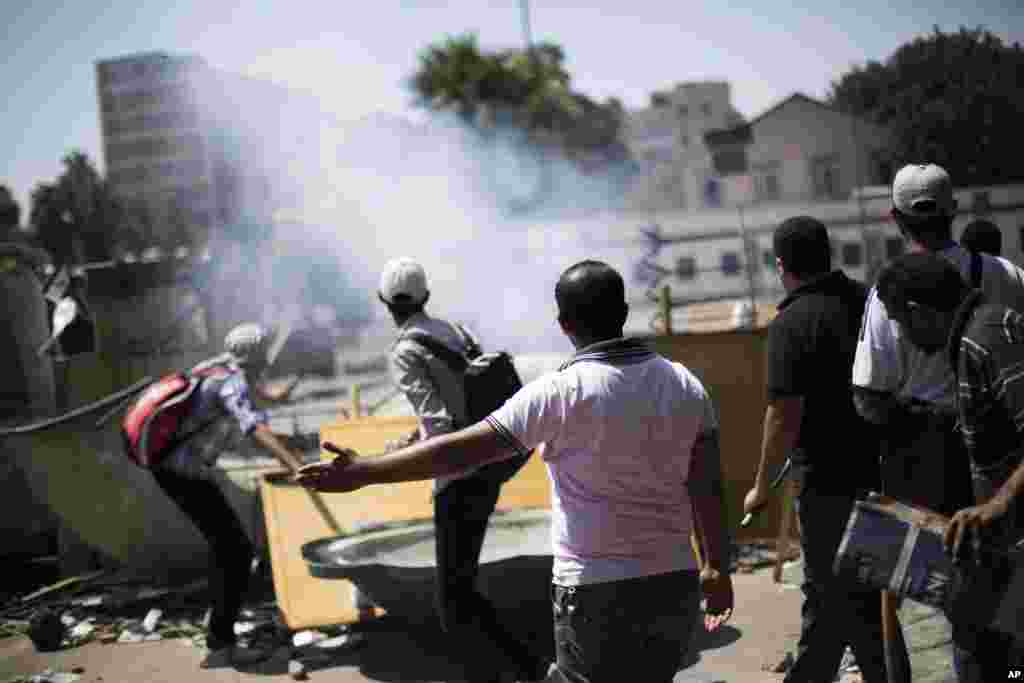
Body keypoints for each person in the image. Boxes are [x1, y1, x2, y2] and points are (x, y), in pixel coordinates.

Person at [299, 260, 735, 683]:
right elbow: (708, 486)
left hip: (596, 594)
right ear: (624, 313)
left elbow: (457, 452)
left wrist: (363, 472)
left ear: (563, 324)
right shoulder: (684, 384)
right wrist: (716, 567)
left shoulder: (558, 393)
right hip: (674, 586)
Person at [743, 217, 906, 683]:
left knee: (830, 594)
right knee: (867, 594)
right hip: (882, 472)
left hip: (826, 486)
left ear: (781, 265)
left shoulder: (791, 324)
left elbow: (782, 415)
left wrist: (759, 488)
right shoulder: (868, 301)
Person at [374, 257, 546, 683]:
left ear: (384, 303)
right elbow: (464, 405)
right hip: (493, 460)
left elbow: (440, 425)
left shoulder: (404, 351)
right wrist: (410, 441)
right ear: (426, 297)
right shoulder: (456, 332)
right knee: (461, 594)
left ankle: (534, 671)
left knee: (454, 605)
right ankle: (530, 669)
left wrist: (390, 466)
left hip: (459, 476)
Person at [873, 252, 1024, 680]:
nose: (901, 335)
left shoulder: (988, 336)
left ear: (919, 312)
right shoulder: (971, 343)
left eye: (899, 323)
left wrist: (996, 505)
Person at [852, 163, 1024, 517]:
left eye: (908, 324)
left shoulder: (888, 296)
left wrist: (918, 420)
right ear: (954, 210)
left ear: (894, 219)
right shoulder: (1008, 275)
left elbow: (868, 396)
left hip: (928, 460)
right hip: (1001, 453)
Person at [152, 323, 307, 669]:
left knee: (228, 547)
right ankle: (221, 644)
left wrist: (279, 396)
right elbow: (253, 425)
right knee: (236, 550)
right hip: (184, 472)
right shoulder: (230, 381)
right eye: (265, 353)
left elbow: (255, 394)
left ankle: (219, 625)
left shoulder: (220, 368)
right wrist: (297, 466)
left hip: (178, 468)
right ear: (259, 355)